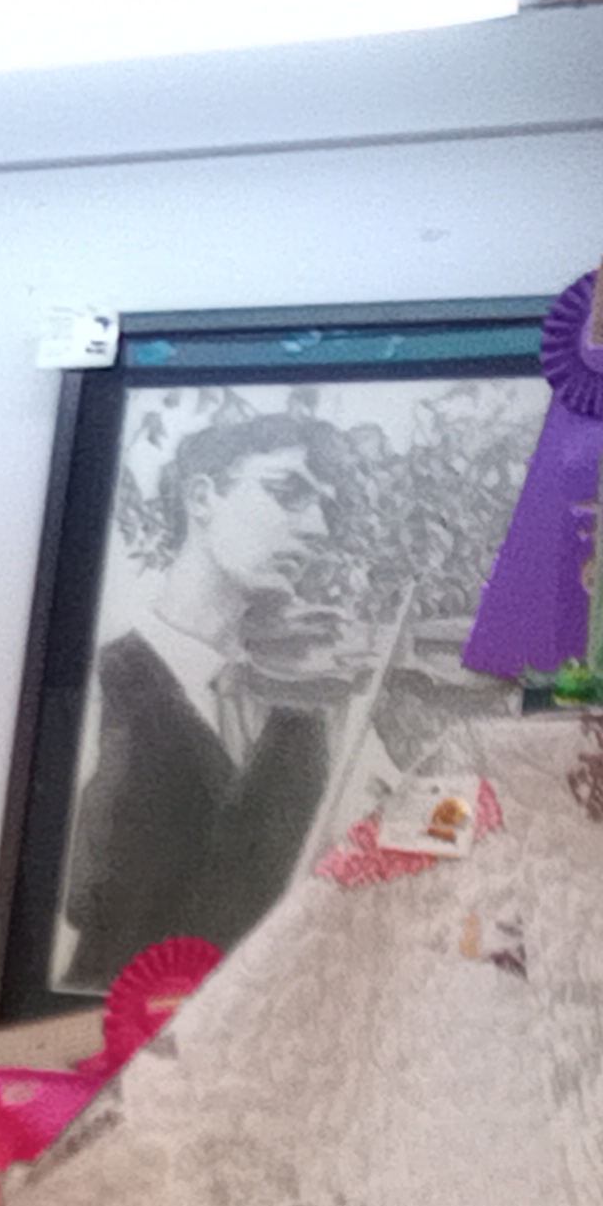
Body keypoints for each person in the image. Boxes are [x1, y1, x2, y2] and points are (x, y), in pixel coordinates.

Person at [58, 411, 353, 992]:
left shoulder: (305, 703)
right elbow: (76, 900)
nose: (317, 527)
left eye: (325, 506)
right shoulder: (95, 682)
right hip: (104, 1016)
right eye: (287, 492)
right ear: (201, 497)